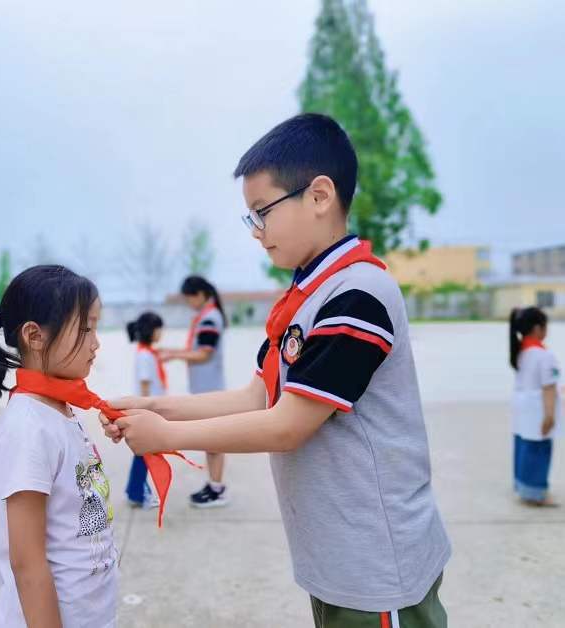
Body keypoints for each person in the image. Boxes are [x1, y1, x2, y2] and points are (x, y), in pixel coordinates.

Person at [104, 113, 450, 627]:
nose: (256, 232)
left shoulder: (356, 294)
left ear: (319, 195)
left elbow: (288, 425)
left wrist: (164, 434)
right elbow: (255, 397)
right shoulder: (307, 296)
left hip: (377, 563)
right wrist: (153, 405)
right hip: (338, 557)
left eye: (261, 211)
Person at [0, 265, 117, 628]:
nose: (96, 342)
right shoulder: (28, 429)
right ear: (34, 336)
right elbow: (27, 562)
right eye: (85, 328)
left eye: (96, 327)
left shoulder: (61, 411)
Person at [160, 276, 230, 508]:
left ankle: (217, 489)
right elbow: (198, 350)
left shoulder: (209, 318)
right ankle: (214, 485)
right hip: (206, 389)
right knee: (212, 442)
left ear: (199, 294)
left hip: (210, 390)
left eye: (189, 298)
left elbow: (203, 354)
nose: (189, 303)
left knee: (215, 442)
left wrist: (174, 355)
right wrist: (174, 351)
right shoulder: (207, 316)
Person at [510, 306, 561, 506]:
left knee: (524, 447)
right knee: (539, 449)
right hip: (538, 408)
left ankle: (523, 487)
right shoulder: (544, 355)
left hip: (523, 409)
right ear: (538, 328)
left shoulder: (522, 352)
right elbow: (549, 387)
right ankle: (535, 493)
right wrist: (549, 415)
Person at [125, 311, 166, 509]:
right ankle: (139, 493)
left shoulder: (148, 353)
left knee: (145, 454)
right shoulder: (144, 356)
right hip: (149, 411)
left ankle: (136, 491)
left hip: (152, 410)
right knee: (146, 454)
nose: (161, 333)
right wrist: (148, 413)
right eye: (159, 329)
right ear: (151, 331)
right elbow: (145, 386)